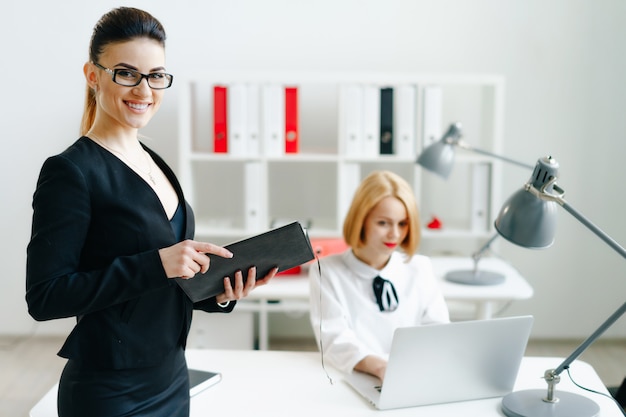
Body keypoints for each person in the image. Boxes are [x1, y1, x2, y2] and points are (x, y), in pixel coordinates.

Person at [25, 7, 277, 417]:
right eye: (127, 73)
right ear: (93, 76)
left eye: (156, 75)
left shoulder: (157, 162)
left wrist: (219, 292)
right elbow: (45, 297)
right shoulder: (70, 171)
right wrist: (157, 263)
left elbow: (161, 288)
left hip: (173, 377)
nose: (144, 90)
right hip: (109, 391)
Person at [309, 170, 449, 382]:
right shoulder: (327, 271)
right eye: (383, 223)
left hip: (413, 375)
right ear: (361, 220)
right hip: (356, 377)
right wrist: (381, 368)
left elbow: (438, 331)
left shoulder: (420, 268)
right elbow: (334, 339)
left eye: (402, 223)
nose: (394, 234)